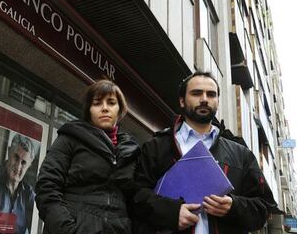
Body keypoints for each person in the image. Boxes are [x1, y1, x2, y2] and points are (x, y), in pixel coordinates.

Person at [131, 71, 279, 234]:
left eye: (211, 94)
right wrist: (171, 213)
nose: (204, 99)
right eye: (196, 93)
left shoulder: (241, 154)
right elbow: (135, 196)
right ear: (182, 101)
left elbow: (264, 207)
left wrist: (233, 206)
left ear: (217, 101)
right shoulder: (156, 146)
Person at [34, 79, 139, 234]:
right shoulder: (70, 138)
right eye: (97, 103)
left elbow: (136, 199)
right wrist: (65, 229)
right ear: (89, 110)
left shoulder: (131, 150)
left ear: (120, 109)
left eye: (111, 102)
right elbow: (47, 186)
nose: (104, 108)